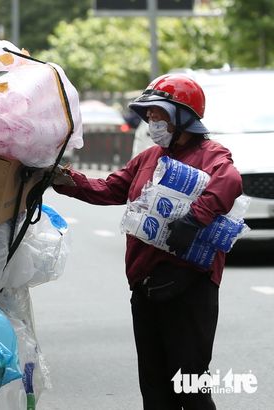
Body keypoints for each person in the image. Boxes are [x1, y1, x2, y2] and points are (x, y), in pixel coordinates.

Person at [52, 74, 242, 410]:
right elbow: (111, 188)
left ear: (182, 116)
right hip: (144, 286)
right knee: (154, 387)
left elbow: (229, 182)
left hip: (190, 285)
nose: (152, 123)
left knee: (191, 384)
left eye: (159, 115)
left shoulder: (211, 154)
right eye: (150, 116)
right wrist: (67, 181)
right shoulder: (148, 158)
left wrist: (196, 217)